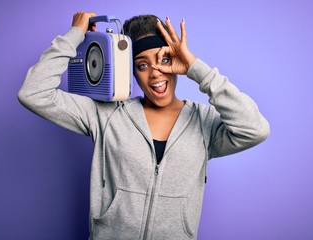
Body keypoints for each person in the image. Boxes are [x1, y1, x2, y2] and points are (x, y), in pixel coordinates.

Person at [18, 11, 270, 240]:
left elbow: (255, 129)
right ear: (131, 71)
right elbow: (33, 93)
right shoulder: (105, 115)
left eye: (164, 59)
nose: (155, 73)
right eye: (142, 65)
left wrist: (195, 67)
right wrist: (74, 36)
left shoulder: (203, 123)